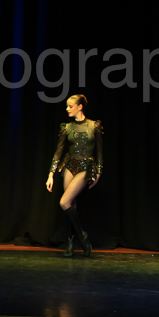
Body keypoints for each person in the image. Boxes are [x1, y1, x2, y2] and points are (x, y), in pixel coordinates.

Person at [45, 94, 102, 258]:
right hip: (70, 165)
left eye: (70, 106)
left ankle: (82, 236)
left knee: (64, 202)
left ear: (80, 107)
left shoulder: (94, 126)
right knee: (70, 205)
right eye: (67, 106)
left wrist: (98, 172)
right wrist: (51, 174)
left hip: (86, 166)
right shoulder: (67, 127)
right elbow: (58, 152)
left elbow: (99, 152)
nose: (67, 109)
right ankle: (70, 242)